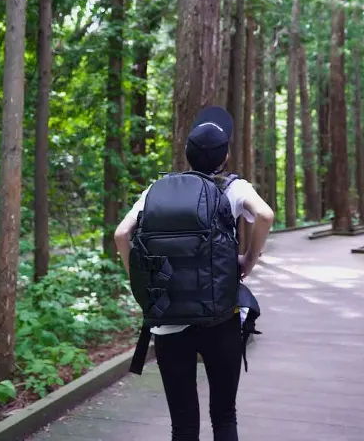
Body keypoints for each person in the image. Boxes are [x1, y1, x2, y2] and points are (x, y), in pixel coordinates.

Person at [114, 106, 274, 441]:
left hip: (169, 319)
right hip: (221, 317)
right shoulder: (234, 188)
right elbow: (265, 215)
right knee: (224, 418)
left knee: (183, 425)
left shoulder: (158, 190)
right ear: (226, 156)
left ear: (186, 155)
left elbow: (121, 234)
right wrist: (247, 261)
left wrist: (143, 283)